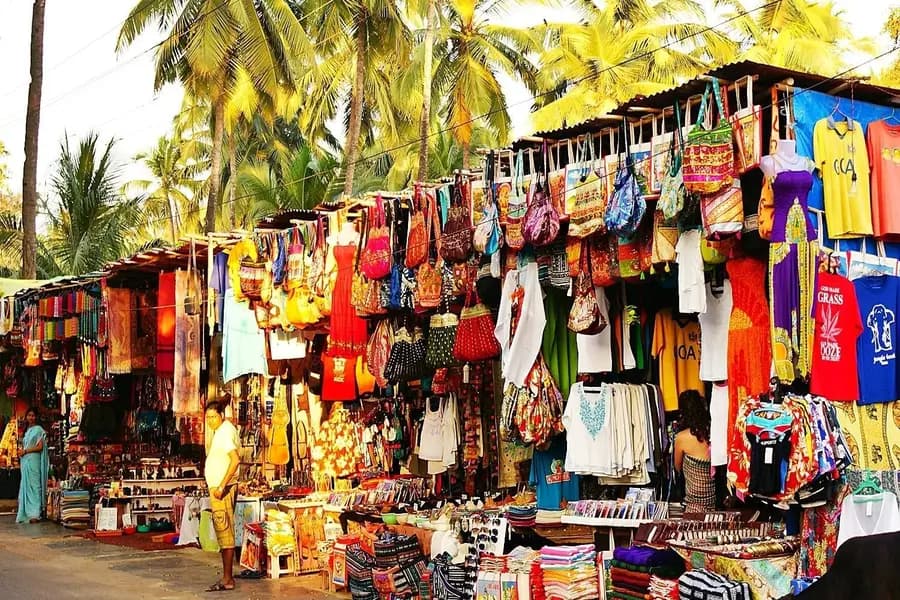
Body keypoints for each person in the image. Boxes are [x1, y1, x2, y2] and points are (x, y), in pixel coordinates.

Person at [204, 399, 240, 592]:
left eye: (213, 417)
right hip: (219, 487)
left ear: (221, 416)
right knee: (222, 531)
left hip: (222, 489)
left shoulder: (225, 432)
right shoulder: (222, 431)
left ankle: (228, 578)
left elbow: (235, 460)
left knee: (225, 531)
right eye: (207, 418)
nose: (210, 421)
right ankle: (227, 576)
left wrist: (221, 486)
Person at [674, 390, 715, 513]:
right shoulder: (714, 431)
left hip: (694, 506)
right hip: (716, 501)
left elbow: (678, 468)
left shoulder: (681, 438)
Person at [17, 406, 49, 523]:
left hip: (34, 460)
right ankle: (26, 512)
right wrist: (22, 452)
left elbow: (40, 447)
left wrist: (25, 451)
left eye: (33, 415)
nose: (31, 417)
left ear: (36, 417)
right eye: (29, 415)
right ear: (26, 417)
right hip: (25, 461)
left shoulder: (39, 430)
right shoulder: (27, 431)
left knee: (35, 486)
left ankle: (35, 513)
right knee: (26, 486)